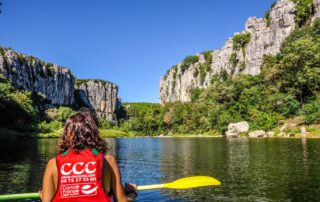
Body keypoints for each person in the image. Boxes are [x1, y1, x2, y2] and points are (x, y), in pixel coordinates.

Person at [41, 108, 137, 202]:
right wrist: (132, 192)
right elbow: (122, 201)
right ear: (94, 133)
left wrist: (44, 195)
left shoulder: (53, 163)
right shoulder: (109, 161)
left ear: (67, 135)